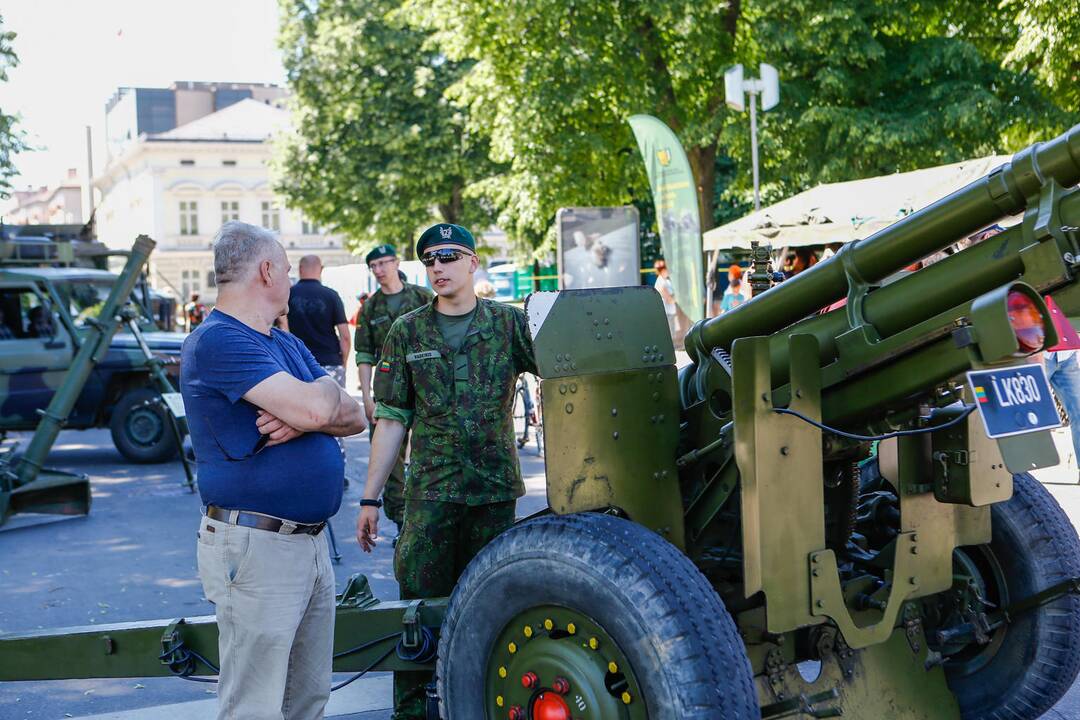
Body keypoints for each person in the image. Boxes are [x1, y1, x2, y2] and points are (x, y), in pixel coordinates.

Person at [181, 221, 366, 720]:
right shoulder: (217, 340)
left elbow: (353, 414)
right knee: (255, 707)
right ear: (266, 271)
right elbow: (320, 409)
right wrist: (314, 408)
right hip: (257, 551)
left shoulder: (283, 342)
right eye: (285, 267)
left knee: (307, 700)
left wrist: (308, 416)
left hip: (306, 545)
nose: (288, 276)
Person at [356, 223, 536, 720]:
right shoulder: (407, 331)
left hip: (493, 491)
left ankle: (485, 705)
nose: (438, 267)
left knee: (494, 607)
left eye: (449, 257)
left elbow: (562, 381)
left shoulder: (508, 325)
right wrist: (370, 499)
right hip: (431, 493)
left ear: (473, 263)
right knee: (417, 612)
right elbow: (392, 421)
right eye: (431, 259)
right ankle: (412, 713)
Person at [354, 244, 433, 530]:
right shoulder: (370, 308)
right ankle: (403, 524)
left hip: (427, 389)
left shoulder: (422, 297)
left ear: (396, 262)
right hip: (389, 393)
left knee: (428, 454)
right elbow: (363, 355)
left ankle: (428, 519)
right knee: (391, 464)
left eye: (384, 263)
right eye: (373, 266)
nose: (379, 270)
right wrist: (366, 397)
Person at [287, 255, 352, 473]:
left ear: (299, 268)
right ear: (320, 269)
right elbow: (344, 335)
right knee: (336, 419)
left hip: (298, 366)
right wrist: (343, 364)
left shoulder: (288, 295)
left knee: (299, 420)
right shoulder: (331, 295)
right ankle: (337, 470)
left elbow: (281, 330)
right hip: (330, 364)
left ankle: (306, 469)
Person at [653, 259, 679, 339]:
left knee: (672, 335)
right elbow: (670, 300)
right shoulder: (661, 282)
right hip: (666, 313)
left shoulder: (666, 281)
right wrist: (680, 299)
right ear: (663, 270)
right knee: (668, 336)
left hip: (670, 312)